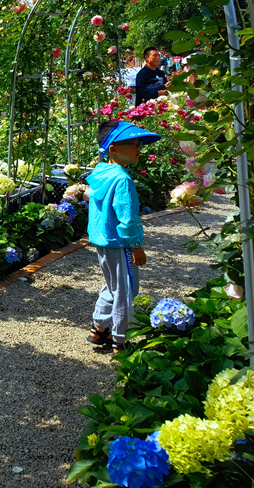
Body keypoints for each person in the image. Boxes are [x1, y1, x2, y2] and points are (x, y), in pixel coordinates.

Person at [85, 120, 161, 352]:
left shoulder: (100, 173)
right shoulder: (122, 180)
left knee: (113, 285)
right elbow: (127, 218)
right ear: (113, 149)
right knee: (127, 290)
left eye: (139, 144)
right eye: (133, 143)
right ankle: (121, 339)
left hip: (104, 241)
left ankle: (100, 328)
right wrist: (136, 245)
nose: (139, 148)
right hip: (121, 244)